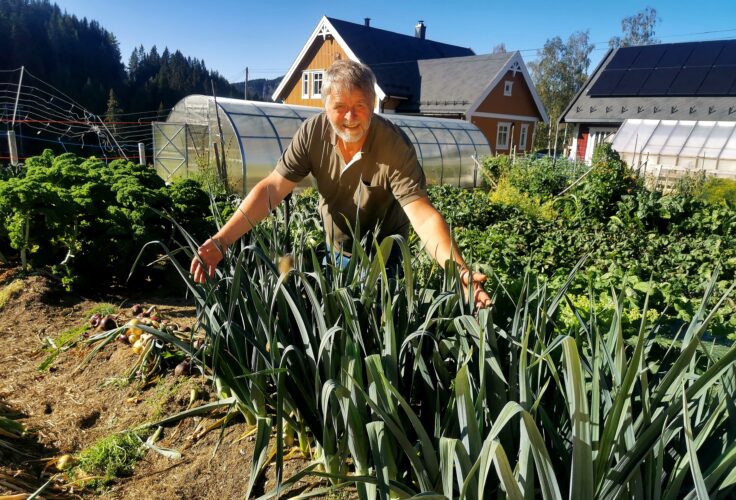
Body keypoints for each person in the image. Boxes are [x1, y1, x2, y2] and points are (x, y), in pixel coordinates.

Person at [190, 59, 492, 309]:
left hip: (384, 255)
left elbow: (423, 216)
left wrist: (458, 271)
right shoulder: (312, 135)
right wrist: (222, 240)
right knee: (335, 321)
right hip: (336, 248)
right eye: (339, 107)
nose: (350, 117)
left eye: (360, 106)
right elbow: (272, 189)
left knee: (378, 328)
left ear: (373, 105)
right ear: (325, 106)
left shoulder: (393, 146)